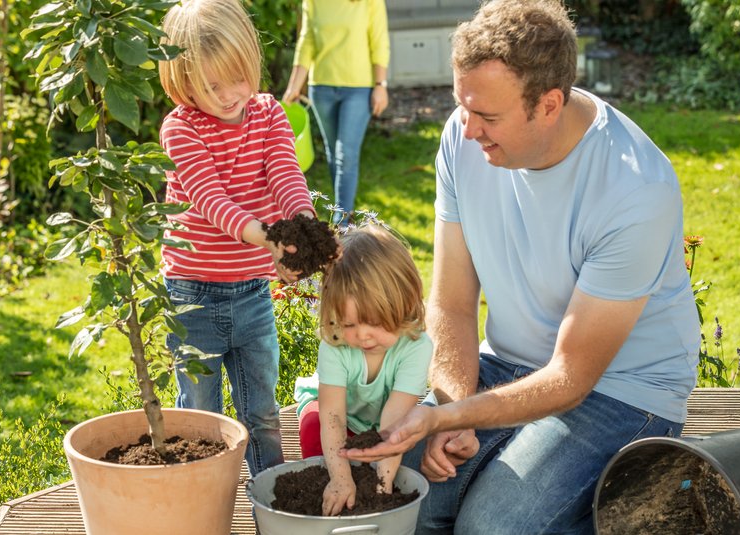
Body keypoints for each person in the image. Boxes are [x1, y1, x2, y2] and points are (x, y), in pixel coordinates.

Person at [341, 1, 701, 533]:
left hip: (620, 390)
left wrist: (450, 418)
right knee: (400, 498)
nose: (468, 130)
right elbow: (451, 303)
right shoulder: (461, 142)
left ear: (549, 104)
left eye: (488, 117)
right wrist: (452, 406)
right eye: (463, 106)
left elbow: (572, 378)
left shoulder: (634, 189)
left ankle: (651, 512)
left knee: (490, 529)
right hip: (507, 365)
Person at [157, 0, 318, 477]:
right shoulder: (181, 129)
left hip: (251, 293)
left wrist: (303, 224)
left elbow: (285, 174)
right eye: (211, 85)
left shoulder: (268, 114)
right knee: (203, 420)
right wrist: (270, 238)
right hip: (193, 297)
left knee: (262, 413)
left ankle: (270, 499)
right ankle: (205, 505)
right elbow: (211, 201)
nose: (230, 95)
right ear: (183, 81)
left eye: (239, 78)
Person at [293, 224, 432, 516]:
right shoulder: (336, 345)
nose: (364, 336)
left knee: (409, 448)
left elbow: (394, 421)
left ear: (404, 305)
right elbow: (333, 417)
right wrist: (341, 478)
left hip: (381, 420)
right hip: (335, 414)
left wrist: (381, 491)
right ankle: (325, 484)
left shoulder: (416, 347)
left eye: (376, 323)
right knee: (312, 428)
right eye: (349, 324)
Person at [281, 0, 390, 224]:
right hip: (321, 87)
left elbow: (379, 40)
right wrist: (294, 85)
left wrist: (381, 85)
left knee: (345, 156)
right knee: (334, 154)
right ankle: (341, 213)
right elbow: (307, 39)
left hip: (359, 88)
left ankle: (342, 224)